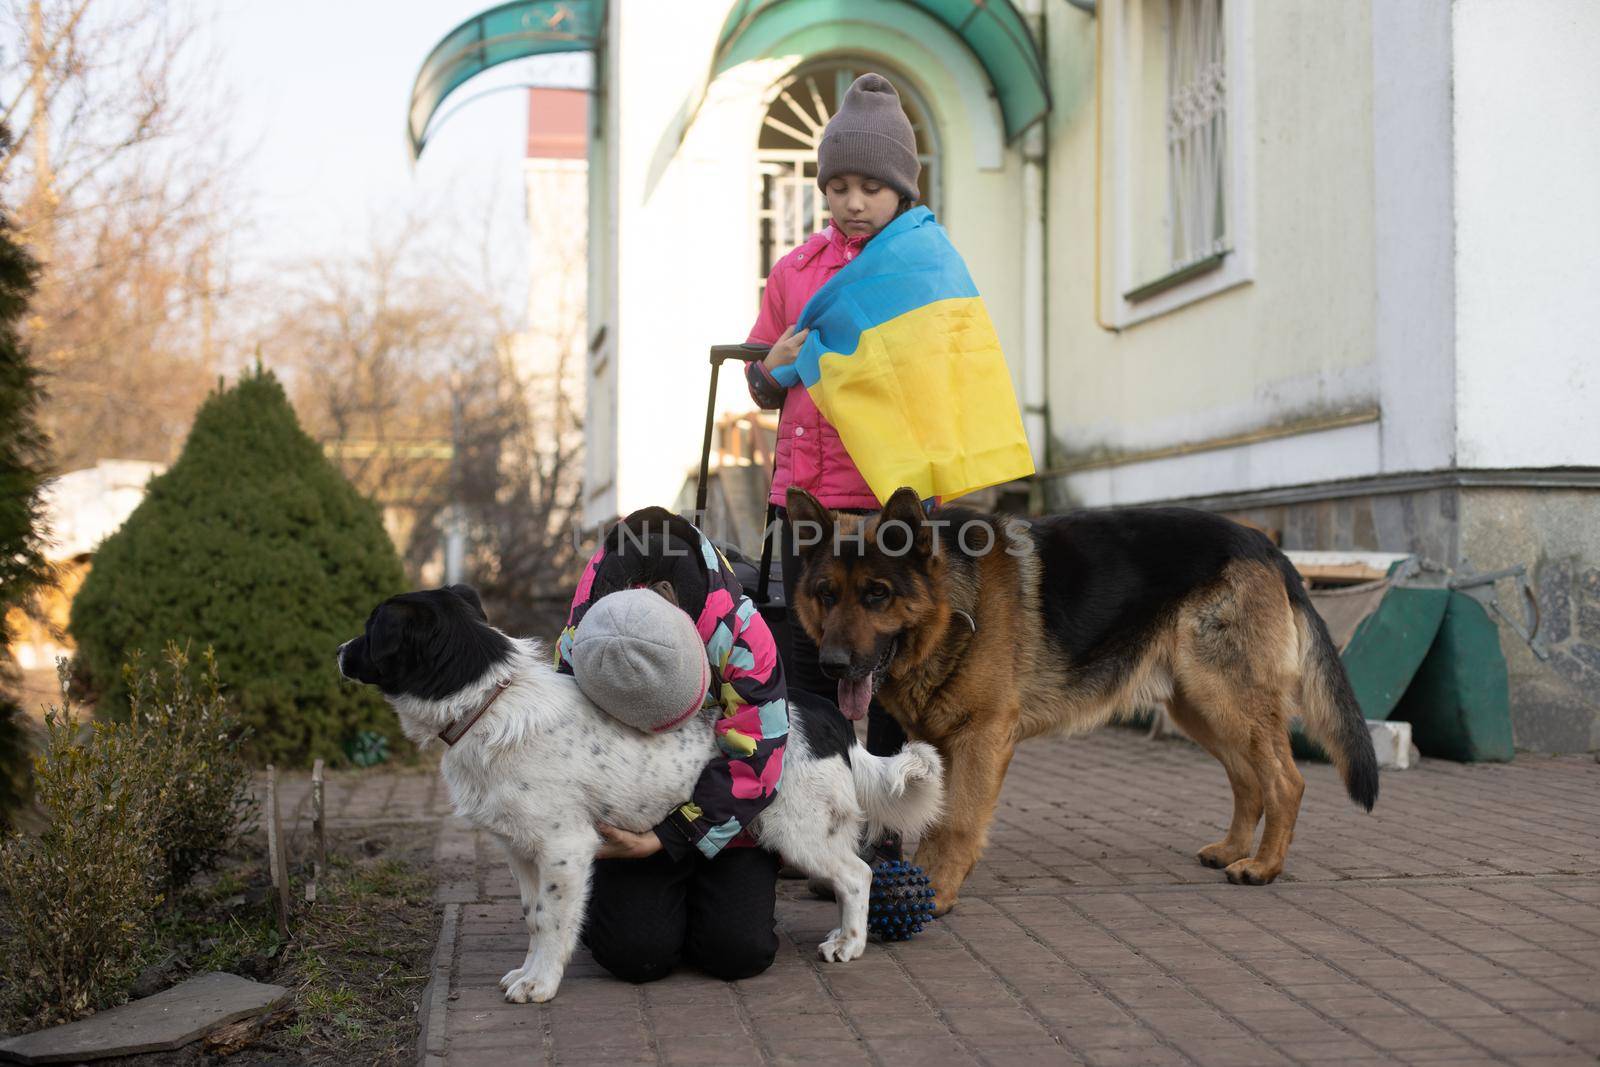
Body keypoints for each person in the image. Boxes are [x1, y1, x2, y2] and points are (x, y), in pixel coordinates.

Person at [743, 72, 917, 808]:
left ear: (902, 192)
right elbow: (761, 375)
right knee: (800, 651)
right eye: (839, 184)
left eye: (871, 186)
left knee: (882, 663)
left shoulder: (918, 270)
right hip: (803, 509)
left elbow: (940, 380)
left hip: (881, 502)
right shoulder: (793, 273)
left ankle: (879, 816)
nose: (853, 200)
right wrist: (772, 368)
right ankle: (813, 811)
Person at [555, 507, 787, 983]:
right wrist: (616, 835)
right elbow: (564, 747)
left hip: (725, 810)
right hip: (631, 813)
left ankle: (708, 892)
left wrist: (669, 839)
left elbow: (758, 754)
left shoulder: (741, 636)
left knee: (738, 954)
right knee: (634, 957)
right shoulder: (583, 641)